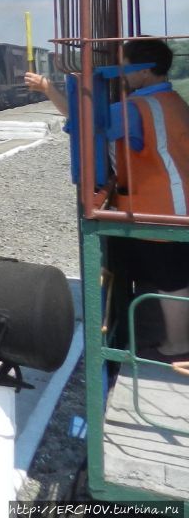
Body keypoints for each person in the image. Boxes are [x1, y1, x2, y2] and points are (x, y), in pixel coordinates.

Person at [26, 37, 189, 362]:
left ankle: (178, 347)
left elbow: (83, 121)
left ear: (143, 70)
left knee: (173, 283)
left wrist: (50, 88)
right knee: (174, 277)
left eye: (124, 66)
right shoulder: (170, 100)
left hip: (164, 208)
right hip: (177, 201)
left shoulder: (135, 109)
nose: (121, 74)